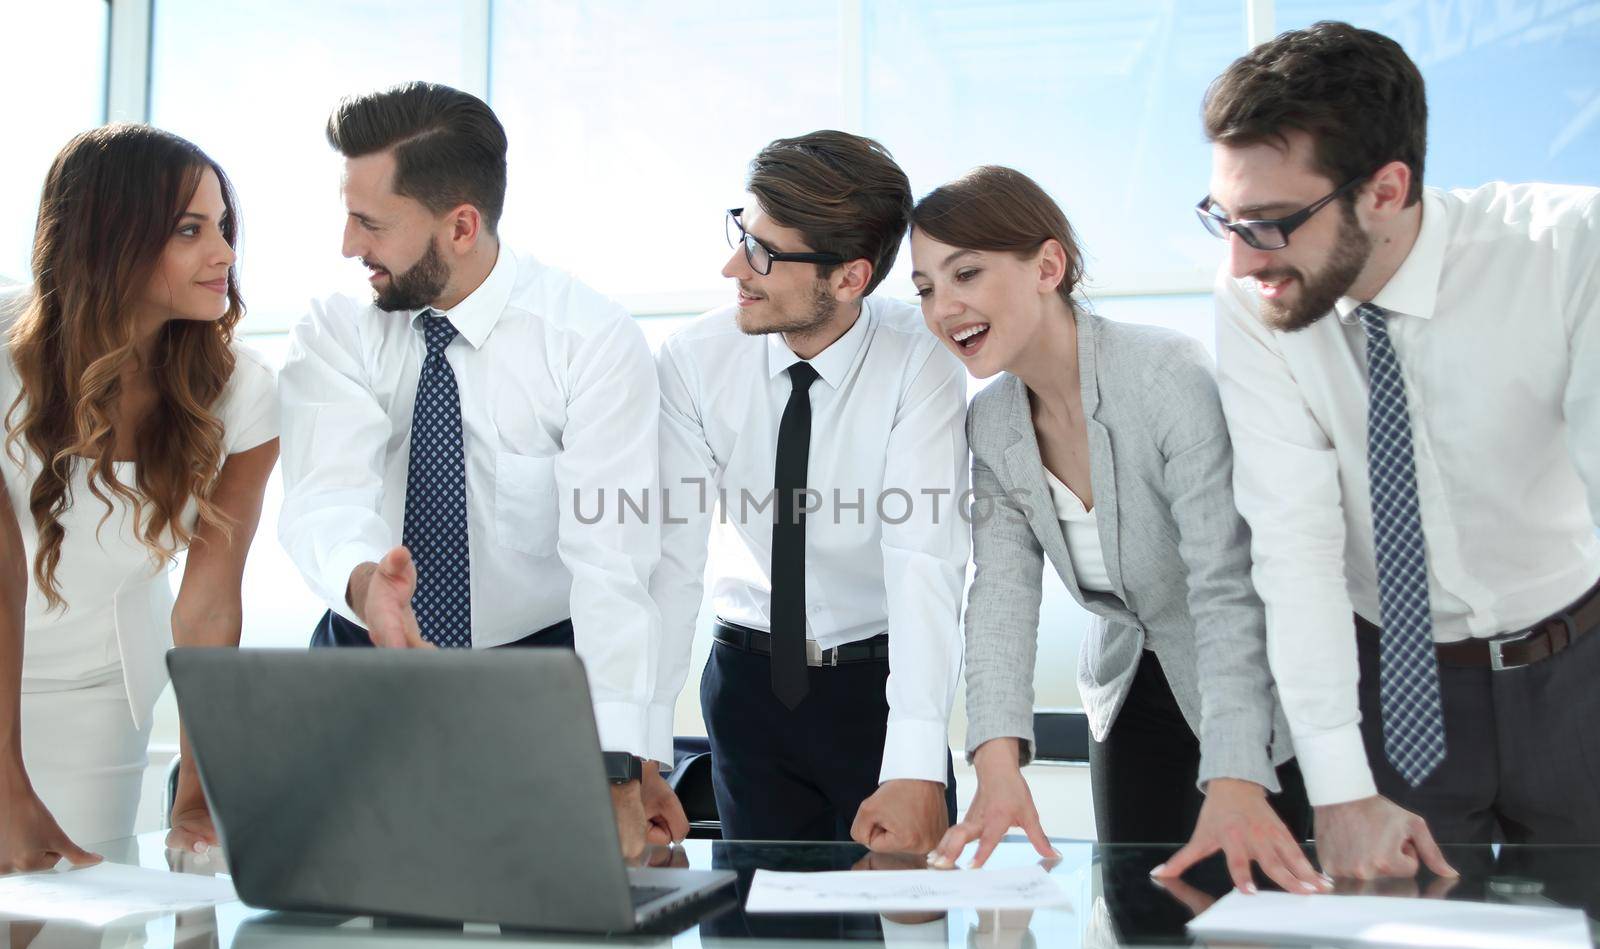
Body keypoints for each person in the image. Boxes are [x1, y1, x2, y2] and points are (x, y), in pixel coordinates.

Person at [1201, 22, 1600, 879]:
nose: (1238, 259)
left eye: (1268, 223)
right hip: (1395, 685)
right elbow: (1293, 544)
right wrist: (1340, 788)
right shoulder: (1255, 300)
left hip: (1578, 667)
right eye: (1223, 219)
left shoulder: (1570, 249)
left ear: (1386, 189)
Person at [276, 81, 684, 858]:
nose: (347, 245)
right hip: (370, 662)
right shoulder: (337, 329)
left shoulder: (588, 340)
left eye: (370, 222)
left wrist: (617, 771)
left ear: (461, 225)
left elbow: (613, 568)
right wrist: (369, 588)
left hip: (538, 679)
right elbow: (325, 497)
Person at [913, 166, 1322, 894]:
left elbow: (1226, 585)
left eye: (965, 273)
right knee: (1144, 924)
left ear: (1048, 266)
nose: (945, 307)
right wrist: (997, 765)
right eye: (924, 288)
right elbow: (1001, 594)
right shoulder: (994, 421)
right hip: (1127, 696)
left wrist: (1235, 769)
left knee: (1272, 935)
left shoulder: (1163, 372)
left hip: (1247, 690)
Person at [650, 131, 968, 851]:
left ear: (850, 278)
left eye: (764, 252)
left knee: (900, 942)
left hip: (879, 688)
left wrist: (917, 763)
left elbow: (926, 557)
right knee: (750, 948)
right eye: (743, 233)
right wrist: (640, 750)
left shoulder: (920, 360)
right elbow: (669, 561)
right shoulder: (694, 360)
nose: (735, 266)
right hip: (745, 687)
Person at [0, 124, 278, 870]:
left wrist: (195, 786)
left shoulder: (243, 392)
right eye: (191, 230)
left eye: (224, 227)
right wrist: (6, 781)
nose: (223, 253)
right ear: (107, 238)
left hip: (99, 684)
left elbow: (210, 603)